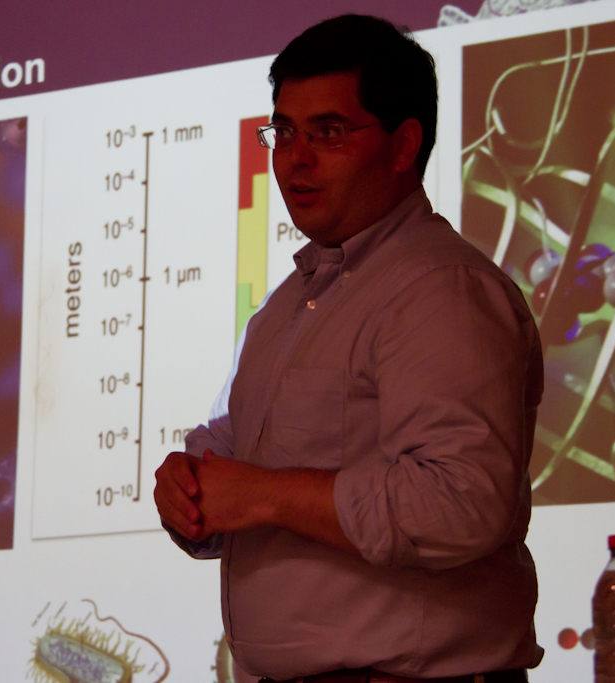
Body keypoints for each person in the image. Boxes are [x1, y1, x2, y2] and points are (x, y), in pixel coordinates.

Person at [154, 14, 544, 683]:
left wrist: (265, 496)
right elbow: (235, 453)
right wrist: (189, 487)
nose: (296, 158)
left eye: (328, 132)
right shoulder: (286, 306)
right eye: (284, 131)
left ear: (402, 146)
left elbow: (463, 502)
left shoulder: (439, 289)